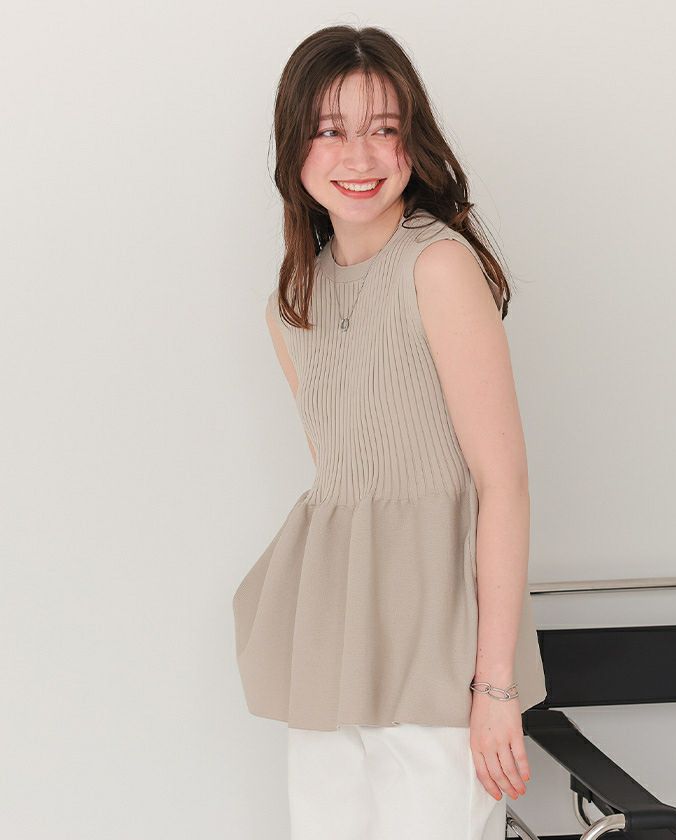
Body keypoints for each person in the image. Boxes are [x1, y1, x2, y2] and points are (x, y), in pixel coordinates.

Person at [232, 24, 547, 840]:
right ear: (294, 146)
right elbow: (348, 481)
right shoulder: (291, 304)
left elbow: (502, 485)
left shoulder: (437, 266)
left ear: (414, 140)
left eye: (384, 128)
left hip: (441, 649)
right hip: (333, 644)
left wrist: (495, 686)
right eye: (331, 130)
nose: (360, 156)